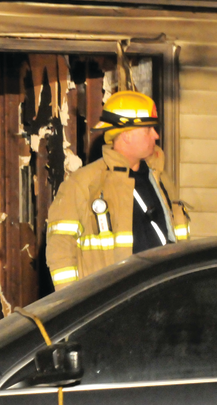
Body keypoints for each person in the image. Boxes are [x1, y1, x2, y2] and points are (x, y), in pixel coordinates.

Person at [45, 91, 190, 290]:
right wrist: (74, 304)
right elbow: (60, 250)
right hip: (112, 306)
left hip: (164, 298)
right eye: (148, 129)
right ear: (127, 135)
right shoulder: (84, 184)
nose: (156, 135)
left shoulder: (161, 179)